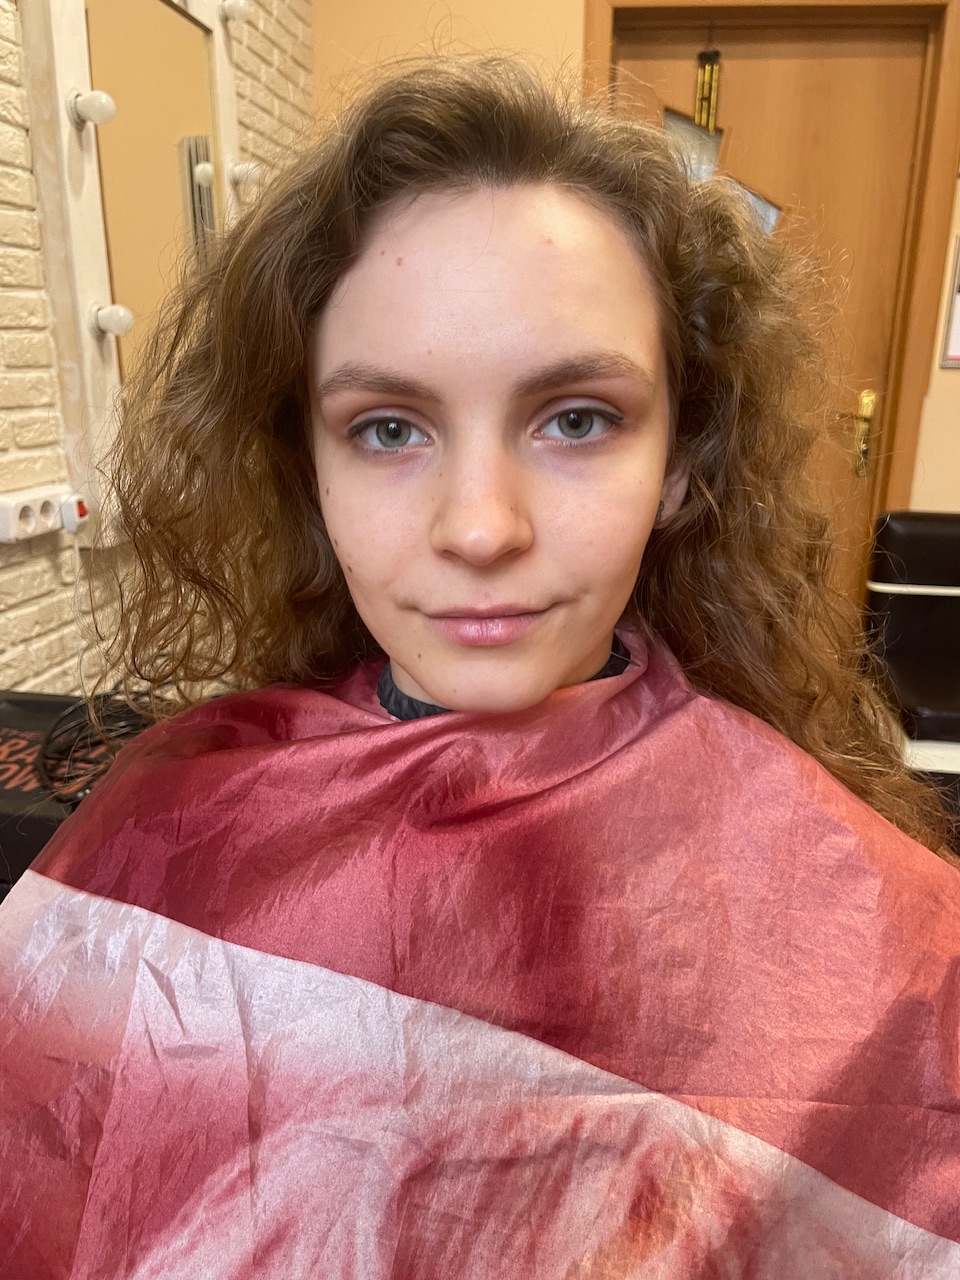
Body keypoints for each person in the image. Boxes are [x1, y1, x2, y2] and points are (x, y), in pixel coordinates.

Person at [1, 57, 958, 1278]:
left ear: (681, 459)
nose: (480, 528)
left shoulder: (882, 930)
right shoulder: (163, 837)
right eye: (388, 428)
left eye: (576, 418)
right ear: (308, 466)